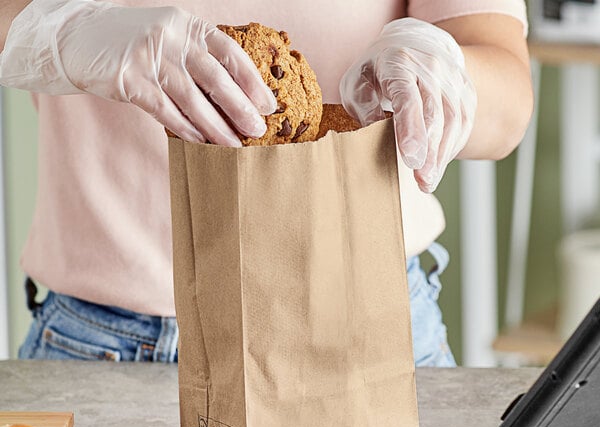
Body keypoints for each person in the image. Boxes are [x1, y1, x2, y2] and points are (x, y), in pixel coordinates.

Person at [0, 0, 533, 366]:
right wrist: (60, 31)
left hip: (366, 326)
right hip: (103, 339)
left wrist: (438, 71)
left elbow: (507, 104)